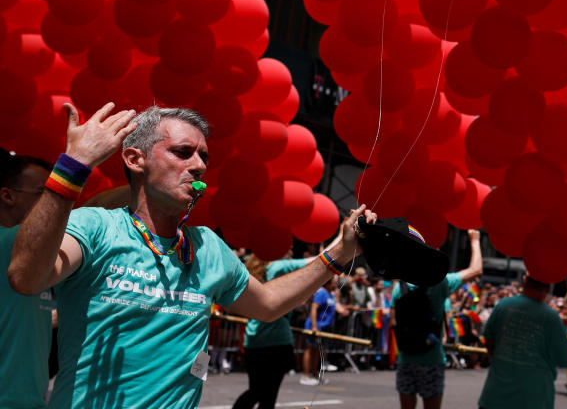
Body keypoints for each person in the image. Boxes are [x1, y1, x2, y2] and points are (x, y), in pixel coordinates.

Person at [7, 103, 377, 409]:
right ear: (135, 159)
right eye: (183, 152)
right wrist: (73, 167)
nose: (199, 165)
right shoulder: (96, 226)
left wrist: (339, 252)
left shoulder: (207, 247)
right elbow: (26, 277)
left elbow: (268, 304)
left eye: (203, 156)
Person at [391, 228, 482, 409]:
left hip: (406, 358)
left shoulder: (399, 287)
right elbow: (475, 270)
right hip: (431, 359)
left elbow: (394, 321)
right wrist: (475, 241)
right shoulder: (440, 283)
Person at [1, 152, 55, 409]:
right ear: (7, 195)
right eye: (43, 193)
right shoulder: (12, 242)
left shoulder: (35, 253)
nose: (51, 202)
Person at [477, 275, 567, 409]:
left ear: (524, 281)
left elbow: (488, 339)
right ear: (547, 288)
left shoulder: (503, 306)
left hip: (495, 396)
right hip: (533, 399)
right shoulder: (552, 318)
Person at [232, 252, 312, 409]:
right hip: (277, 342)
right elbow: (317, 261)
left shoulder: (252, 272)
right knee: (268, 395)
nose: (291, 250)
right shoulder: (278, 266)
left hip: (254, 341)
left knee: (256, 391)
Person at [302, 277, 346, 383]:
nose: (336, 285)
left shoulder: (331, 294)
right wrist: (314, 326)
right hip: (315, 326)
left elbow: (337, 307)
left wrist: (345, 310)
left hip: (324, 327)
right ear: (327, 284)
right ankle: (306, 376)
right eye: (334, 283)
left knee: (318, 350)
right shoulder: (321, 293)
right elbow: (314, 308)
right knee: (310, 349)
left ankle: (314, 374)